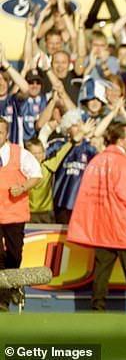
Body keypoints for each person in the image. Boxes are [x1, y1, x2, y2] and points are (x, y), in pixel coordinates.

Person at [67, 122, 126, 312]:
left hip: (102, 226)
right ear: (121, 141)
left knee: (101, 270)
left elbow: (86, 195)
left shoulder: (96, 161)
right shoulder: (123, 163)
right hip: (124, 227)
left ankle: (97, 307)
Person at [0, 117, 43, 311]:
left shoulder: (20, 154)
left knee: (14, 254)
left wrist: (23, 187)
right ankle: (2, 300)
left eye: (0, 132)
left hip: (14, 214)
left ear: (6, 134)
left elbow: (36, 174)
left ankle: (13, 286)